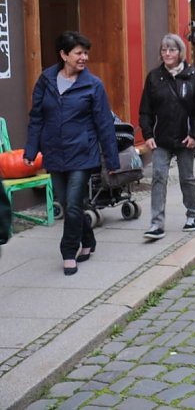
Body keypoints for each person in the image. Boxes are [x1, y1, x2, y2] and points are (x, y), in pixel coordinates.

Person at [24, 31, 120, 276]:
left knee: (75, 204)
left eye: (86, 53)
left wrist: (111, 159)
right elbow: (36, 117)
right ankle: (88, 239)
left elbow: (104, 124)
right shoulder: (45, 80)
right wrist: (31, 149)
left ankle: (69, 252)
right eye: (79, 53)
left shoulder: (93, 85)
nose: (84, 57)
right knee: (67, 204)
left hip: (82, 152)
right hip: (54, 153)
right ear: (64, 55)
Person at [139, 34, 195, 240]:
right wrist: (148, 134)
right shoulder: (154, 77)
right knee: (159, 178)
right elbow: (145, 110)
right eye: (164, 50)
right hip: (161, 138)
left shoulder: (192, 75)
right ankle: (156, 223)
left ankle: (192, 214)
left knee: (187, 178)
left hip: (186, 138)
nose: (167, 54)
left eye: (172, 50)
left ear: (180, 52)